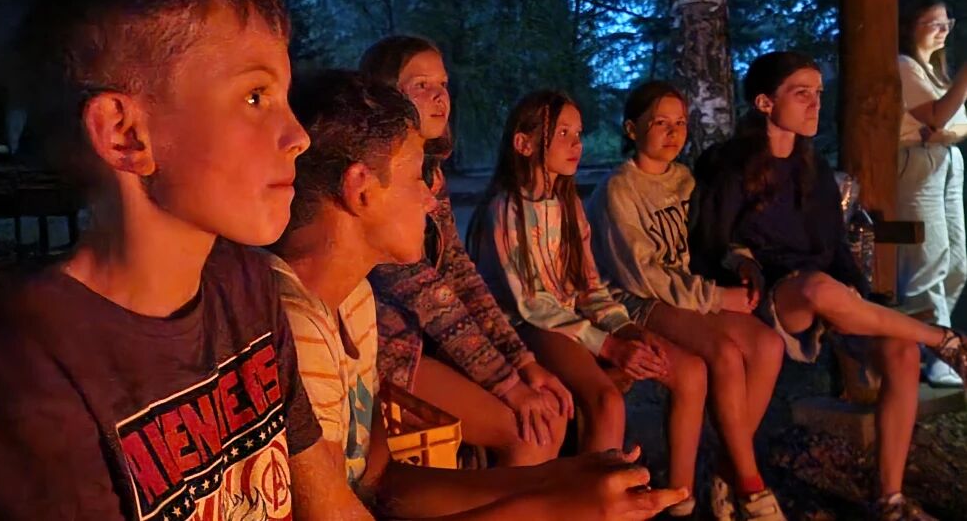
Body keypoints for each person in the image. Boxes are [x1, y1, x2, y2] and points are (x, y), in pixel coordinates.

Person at [0, 0, 362, 520]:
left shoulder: (246, 287)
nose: (298, 135)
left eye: (284, 96)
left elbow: (329, 506)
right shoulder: (13, 372)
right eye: (256, 97)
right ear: (126, 135)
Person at [271, 68, 689, 520]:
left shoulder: (354, 303)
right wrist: (551, 508)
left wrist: (556, 479)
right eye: (415, 177)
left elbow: (377, 482)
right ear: (361, 189)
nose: (430, 200)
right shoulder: (296, 331)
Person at [692, 50, 967, 520]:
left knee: (900, 353)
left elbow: (836, 245)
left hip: (827, 295)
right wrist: (738, 270)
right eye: (801, 93)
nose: (815, 103)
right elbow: (712, 241)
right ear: (764, 102)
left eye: (818, 93)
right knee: (817, 289)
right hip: (771, 295)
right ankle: (944, 341)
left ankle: (890, 499)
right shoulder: (729, 164)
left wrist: (856, 291)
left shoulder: (813, 166)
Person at [468, 90, 708, 517]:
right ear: (523, 143)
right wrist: (609, 346)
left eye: (578, 134)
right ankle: (591, 507)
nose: (576, 144)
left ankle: (680, 502)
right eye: (562, 133)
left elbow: (589, 286)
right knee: (606, 401)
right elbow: (533, 305)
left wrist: (626, 329)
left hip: (570, 320)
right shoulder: (506, 209)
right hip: (525, 326)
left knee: (686, 369)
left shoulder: (568, 204)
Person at [360, 36, 571, 466]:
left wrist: (524, 363)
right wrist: (509, 384)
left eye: (443, 83)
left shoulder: (431, 175)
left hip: (426, 343)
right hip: (386, 351)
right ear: (384, 94)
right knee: (530, 434)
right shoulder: (379, 181)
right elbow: (429, 295)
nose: (440, 96)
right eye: (421, 85)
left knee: (549, 412)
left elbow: (459, 273)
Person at [586, 80, 786, 520]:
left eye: (680, 123)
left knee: (768, 344)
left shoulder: (684, 179)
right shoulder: (619, 190)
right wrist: (717, 297)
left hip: (685, 294)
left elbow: (710, 238)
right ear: (632, 129)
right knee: (723, 355)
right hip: (637, 301)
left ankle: (726, 468)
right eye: (660, 122)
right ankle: (748, 485)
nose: (673, 132)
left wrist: (740, 262)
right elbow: (643, 276)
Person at [896, 0, 967, 387]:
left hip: (947, 163)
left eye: (947, 24)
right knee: (928, 259)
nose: (943, 31)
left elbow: (954, 127)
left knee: (957, 264)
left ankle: (935, 343)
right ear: (912, 27)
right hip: (919, 164)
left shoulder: (937, 74)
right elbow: (940, 118)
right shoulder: (904, 66)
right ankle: (938, 354)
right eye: (934, 24)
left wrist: (943, 127)